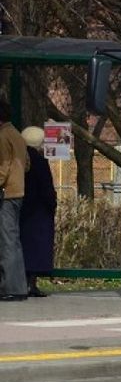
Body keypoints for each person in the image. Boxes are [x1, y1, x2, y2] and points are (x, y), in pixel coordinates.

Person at [19, 127, 55, 297]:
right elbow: (46, 187)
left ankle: (24, 281)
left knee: (25, 245)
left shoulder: (21, 158)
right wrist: (52, 203)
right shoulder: (39, 161)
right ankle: (31, 283)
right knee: (37, 248)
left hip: (24, 207)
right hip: (39, 210)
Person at [0, 100, 28, 301]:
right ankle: (18, 285)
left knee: (7, 242)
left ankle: (11, 288)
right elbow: (26, 164)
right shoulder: (17, 134)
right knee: (14, 241)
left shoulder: (2, 136)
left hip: (6, 193)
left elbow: (3, 167)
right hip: (18, 192)